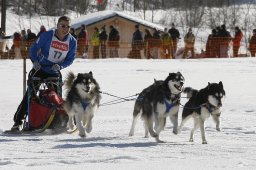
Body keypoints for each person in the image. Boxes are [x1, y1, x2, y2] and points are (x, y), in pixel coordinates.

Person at [11, 16, 77, 131]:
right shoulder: (47, 35)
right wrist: (35, 61)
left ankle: (58, 122)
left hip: (54, 70)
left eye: (68, 26)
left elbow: (70, 59)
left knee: (57, 98)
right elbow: (34, 48)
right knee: (31, 95)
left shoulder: (72, 41)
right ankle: (18, 122)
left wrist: (60, 66)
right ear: (57, 25)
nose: (65, 29)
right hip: (40, 68)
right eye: (62, 26)